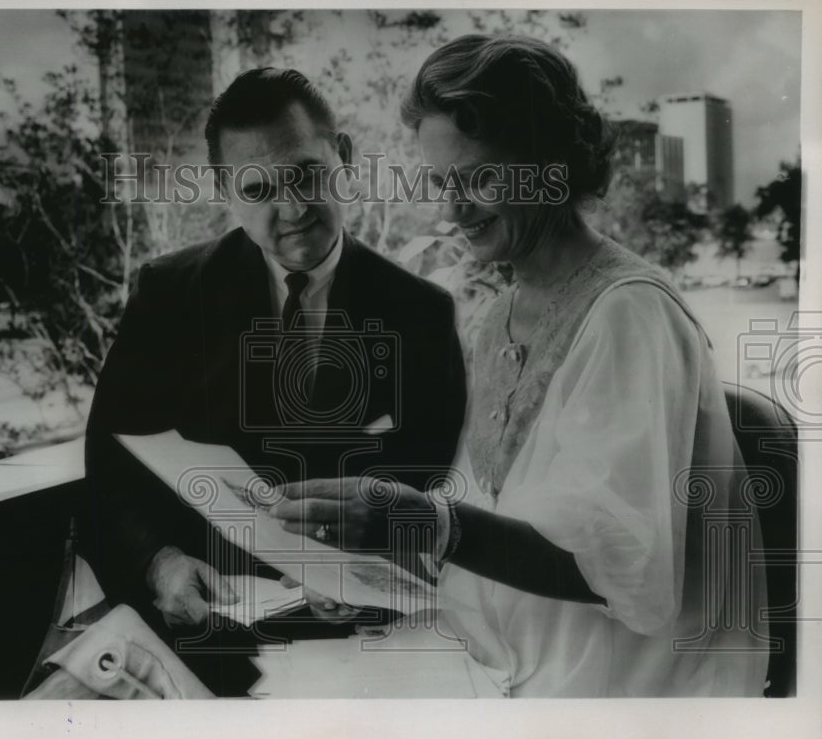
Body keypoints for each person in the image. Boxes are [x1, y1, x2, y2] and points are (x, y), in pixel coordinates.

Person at [272, 35, 770, 697]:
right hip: (516, 667)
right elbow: (498, 518)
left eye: (478, 178)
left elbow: (623, 571)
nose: (453, 210)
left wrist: (424, 522)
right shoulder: (496, 315)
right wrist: (369, 555)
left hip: (629, 701)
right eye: (441, 184)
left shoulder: (631, 316)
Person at [80, 68, 467, 694]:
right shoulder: (167, 295)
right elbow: (111, 465)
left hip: (357, 647)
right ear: (224, 189)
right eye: (258, 189)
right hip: (201, 638)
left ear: (341, 158)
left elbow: (418, 480)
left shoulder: (421, 312)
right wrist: (159, 564)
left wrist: (361, 565)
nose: (292, 210)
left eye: (307, 175)